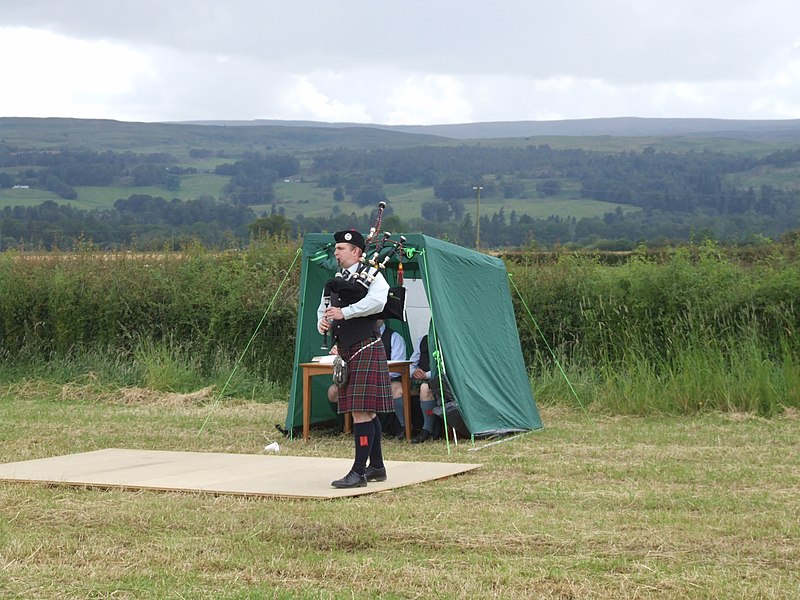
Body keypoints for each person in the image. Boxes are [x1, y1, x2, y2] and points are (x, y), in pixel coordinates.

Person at [318, 229, 394, 488]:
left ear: (357, 252)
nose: (336, 253)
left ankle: (358, 472)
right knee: (366, 413)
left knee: (361, 412)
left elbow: (377, 302)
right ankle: (377, 467)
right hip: (347, 350)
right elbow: (325, 305)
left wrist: (345, 313)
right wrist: (323, 320)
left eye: (341, 249)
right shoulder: (338, 278)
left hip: (366, 346)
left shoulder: (373, 277)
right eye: (336, 249)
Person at [327, 319, 406, 435]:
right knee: (333, 391)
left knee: (396, 389)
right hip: (356, 378)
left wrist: (375, 375)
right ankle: (343, 426)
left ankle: (395, 428)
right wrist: (339, 354)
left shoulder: (394, 337)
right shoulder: (354, 337)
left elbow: (399, 367)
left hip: (386, 379)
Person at [395, 333, 438, 444]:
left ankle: (427, 429)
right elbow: (412, 363)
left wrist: (427, 375)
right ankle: (406, 427)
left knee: (424, 388)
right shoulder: (422, 339)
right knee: (395, 387)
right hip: (417, 380)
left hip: (436, 380)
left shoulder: (449, 340)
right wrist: (414, 371)